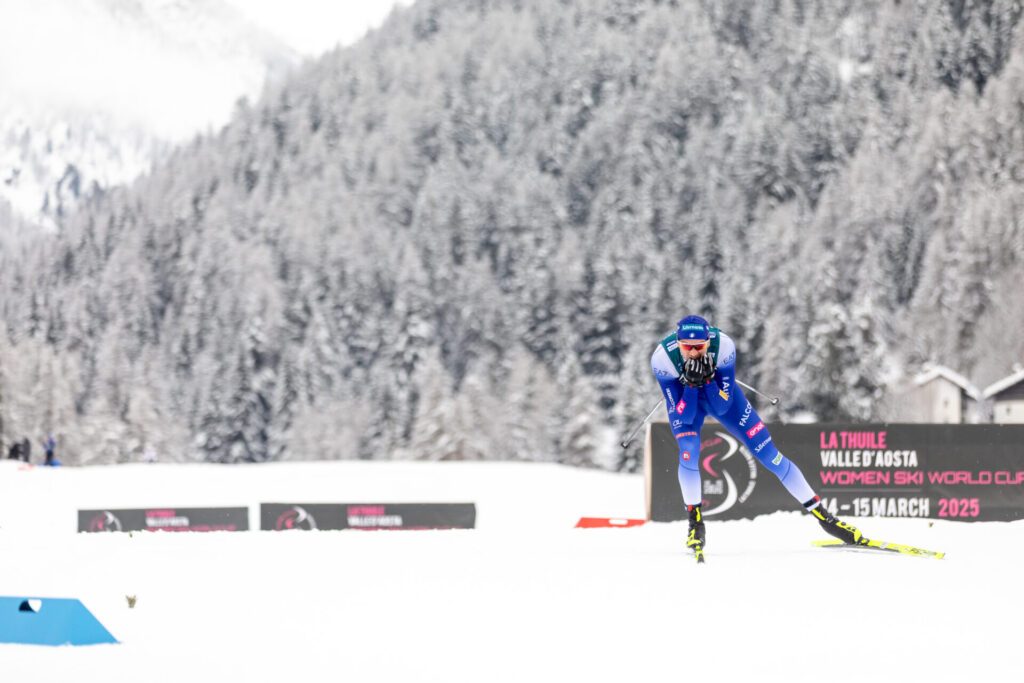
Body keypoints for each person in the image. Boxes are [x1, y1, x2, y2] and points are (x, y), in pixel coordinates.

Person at [651, 314, 863, 556]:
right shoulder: (662, 359)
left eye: (699, 346)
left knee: (769, 454)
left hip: (720, 396)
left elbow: (722, 406)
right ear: (677, 343)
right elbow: (685, 416)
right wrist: (689, 384)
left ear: (708, 342)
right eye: (686, 347)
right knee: (688, 452)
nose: (693, 353)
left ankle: (826, 518)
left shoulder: (724, 347)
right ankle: (695, 524)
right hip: (685, 402)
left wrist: (708, 381)